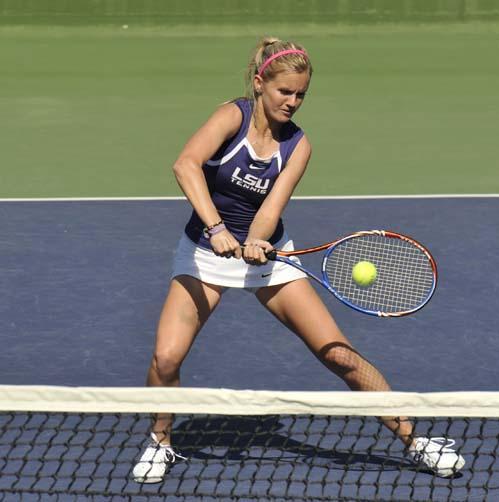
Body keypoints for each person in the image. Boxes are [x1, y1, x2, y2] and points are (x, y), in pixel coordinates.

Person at [132, 37, 464, 483]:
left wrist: (253, 240)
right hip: (202, 254)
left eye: (300, 94)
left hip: (269, 256)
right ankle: (160, 442)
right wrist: (218, 230)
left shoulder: (298, 145)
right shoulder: (232, 116)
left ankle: (416, 441)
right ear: (259, 84)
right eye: (284, 91)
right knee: (166, 358)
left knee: (339, 355)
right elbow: (185, 165)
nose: (292, 101)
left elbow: (270, 209)